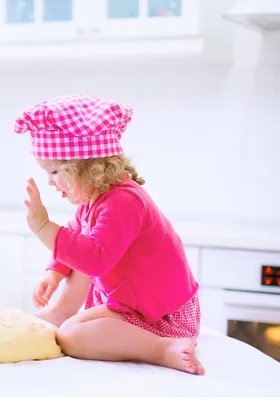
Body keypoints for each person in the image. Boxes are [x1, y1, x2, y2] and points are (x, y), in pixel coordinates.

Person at [13, 94, 204, 375]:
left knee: (71, 336)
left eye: (54, 171)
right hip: (136, 300)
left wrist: (43, 227)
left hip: (160, 315)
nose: (50, 183)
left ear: (87, 167)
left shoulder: (123, 202)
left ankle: (162, 348)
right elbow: (75, 237)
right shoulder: (97, 199)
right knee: (82, 249)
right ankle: (60, 312)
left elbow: (94, 260)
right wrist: (54, 272)